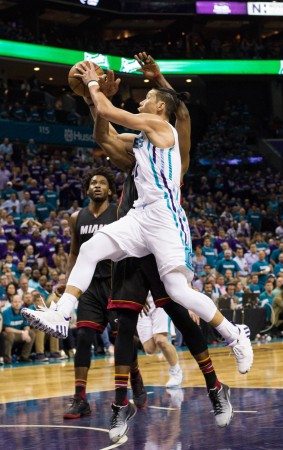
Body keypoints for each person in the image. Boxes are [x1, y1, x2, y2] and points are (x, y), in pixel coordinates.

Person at [22, 55, 252, 441]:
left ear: (159, 107)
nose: (140, 99)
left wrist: (96, 83)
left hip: (164, 220)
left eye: (146, 96)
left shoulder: (163, 127)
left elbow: (170, 112)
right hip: (138, 222)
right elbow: (105, 132)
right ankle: (63, 315)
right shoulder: (140, 144)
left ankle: (233, 338)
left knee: (180, 297)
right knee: (94, 250)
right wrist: (95, 102)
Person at [62, 166, 140, 419]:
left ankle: (135, 376)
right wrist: (67, 283)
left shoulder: (119, 213)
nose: (97, 185)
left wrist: (137, 286)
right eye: (93, 183)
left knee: (123, 340)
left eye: (102, 183)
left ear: (109, 189)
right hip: (90, 287)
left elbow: (133, 248)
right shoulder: (76, 218)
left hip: (117, 284)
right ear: (87, 189)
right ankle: (80, 398)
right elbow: (74, 253)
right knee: (84, 337)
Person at [137, 292, 183, 388]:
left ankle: (175, 370)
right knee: (150, 349)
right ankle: (171, 352)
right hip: (140, 304)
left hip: (159, 300)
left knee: (160, 340)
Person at [2, 294, 36, 363]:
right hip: (9, 334)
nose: (17, 304)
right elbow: (7, 329)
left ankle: (24, 356)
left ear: (22, 302)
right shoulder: (6, 312)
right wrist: (22, 332)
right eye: (15, 302)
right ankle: (7, 358)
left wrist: (26, 332)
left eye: (19, 302)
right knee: (9, 335)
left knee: (31, 333)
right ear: (11, 303)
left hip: (20, 334)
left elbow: (26, 326)